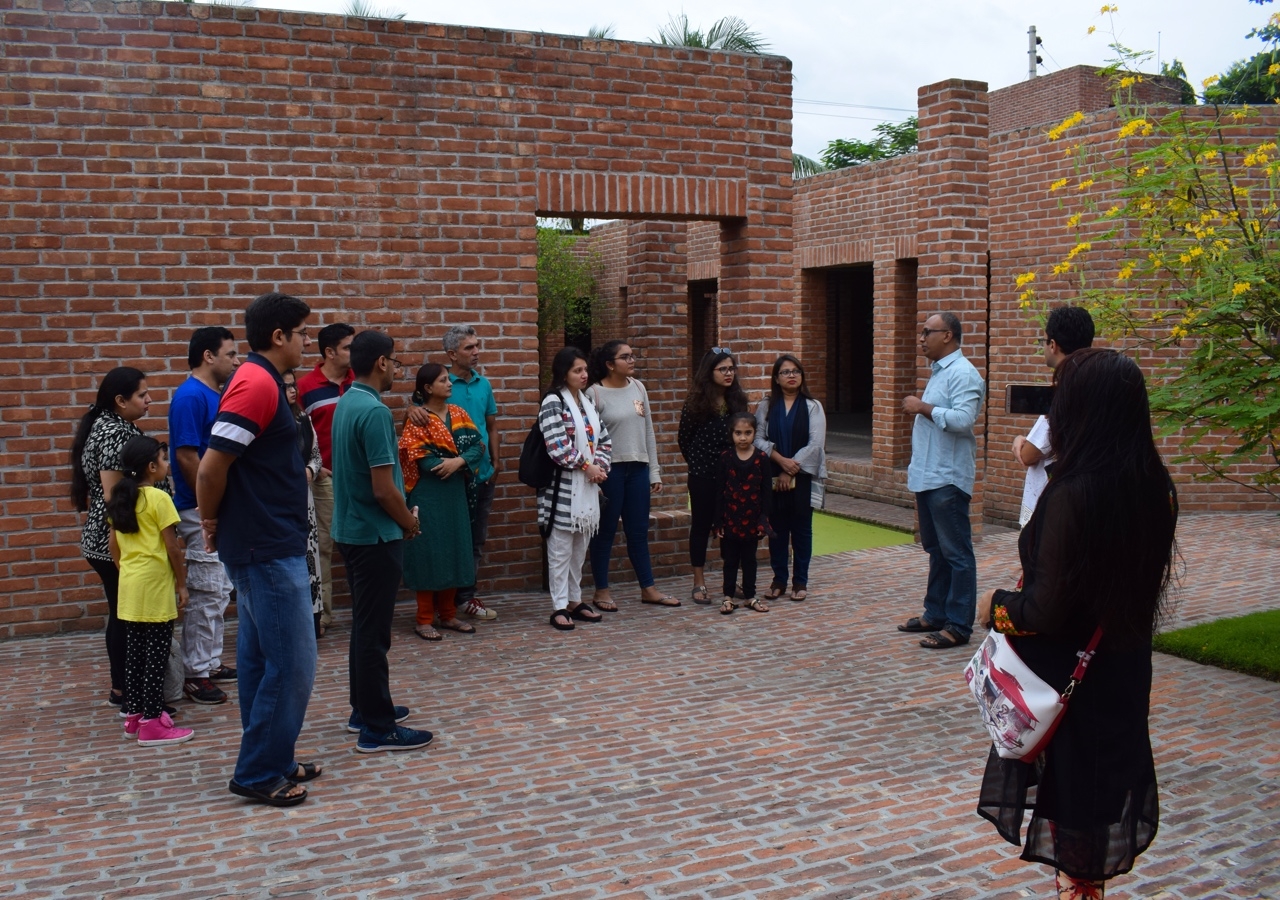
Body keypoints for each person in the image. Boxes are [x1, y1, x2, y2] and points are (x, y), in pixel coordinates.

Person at [974, 348, 1177, 900]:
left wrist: (996, 604)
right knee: (1095, 807)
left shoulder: (1075, 492)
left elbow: (1046, 609)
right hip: (1122, 671)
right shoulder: (1153, 484)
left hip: (1072, 680)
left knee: (1077, 825)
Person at [197, 291, 320, 807]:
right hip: (264, 546)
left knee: (257, 660)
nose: (306, 342)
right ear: (279, 337)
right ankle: (257, 772)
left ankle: (275, 755)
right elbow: (210, 466)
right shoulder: (254, 384)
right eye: (302, 334)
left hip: (268, 539)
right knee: (293, 663)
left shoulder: (262, 381)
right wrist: (209, 521)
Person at [330, 330, 433, 753]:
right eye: (396, 362)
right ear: (382, 363)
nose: (398, 370)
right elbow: (383, 488)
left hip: (352, 532)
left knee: (365, 629)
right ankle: (377, 726)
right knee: (374, 634)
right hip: (374, 536)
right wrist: (408, 522)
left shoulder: (347, 402)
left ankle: (364, 708)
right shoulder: (372, 412)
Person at [70, 367, 161, 712]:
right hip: (115, 541)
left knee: (123, 612)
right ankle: (125, 690)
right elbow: (113, 496)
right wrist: (129, 546)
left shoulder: (114, 425)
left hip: (115, 538)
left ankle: (124, 688)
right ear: (120, 401)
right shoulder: (111, 432)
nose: (149, 400)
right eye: (142, 395)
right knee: (126, 615)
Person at [896, 313, 986, 650]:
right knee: (936, 549)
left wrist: (922, 407)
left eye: (927, 332)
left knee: (957, 553)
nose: (921, 338)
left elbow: (964, 419)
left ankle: (958, 625)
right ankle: (935, 613)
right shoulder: (940, 372)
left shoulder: (963, 374)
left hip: (947, 478)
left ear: (947, 335)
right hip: (929, 475)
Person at [106, 435, 194, 746]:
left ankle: (134, 716)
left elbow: (113, 544)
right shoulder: (159, 499)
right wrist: (181, 584)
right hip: (155, 585)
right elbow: (172, 547)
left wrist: (126, 570)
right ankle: (153, 722)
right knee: (156, 654)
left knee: (135, 652)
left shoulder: (120, 497)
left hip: (130, 584)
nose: (168, 466)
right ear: (152, 466)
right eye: (165, 460)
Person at [169, 326, 240, 706]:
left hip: (213, 505)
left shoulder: (215, 393)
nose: (236, 360)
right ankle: (196, 672)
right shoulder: (191, 397)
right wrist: (207, 499)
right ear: (208, 356)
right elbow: (185, 455)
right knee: (207, 589)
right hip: (197, 508)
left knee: (220, 588)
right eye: (229, 353)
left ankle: (209, 662)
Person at [586, 340, 679, 610]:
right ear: (609, 364)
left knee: (638, 532)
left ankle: (648, 588)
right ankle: (601, 591)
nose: (632, 360)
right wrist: (596, 476)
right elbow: (589, 441)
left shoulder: (638, 388)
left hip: (638, 469)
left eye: (632, 355)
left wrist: (655, 472)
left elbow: (648, 430)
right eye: (625, 357)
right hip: (610, 472)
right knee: (604, 533)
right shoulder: (594, 394)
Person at [399, 363, 486, 640]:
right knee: (428, 552)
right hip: (428, 492)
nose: (449, 384)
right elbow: (416, 453)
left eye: (448, 379)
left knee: (453, 549)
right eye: (443, 380)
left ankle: (448, 615)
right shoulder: (418, 418)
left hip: (455, 492)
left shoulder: (459, 414)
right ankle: (424, 619)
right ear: (427, 388)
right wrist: (442, 465)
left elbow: (477, 444)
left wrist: (458, 461)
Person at [538, 346, 612, 631]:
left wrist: (600, 466)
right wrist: (586, 466)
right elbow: (557, 446)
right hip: (562, 487)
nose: (583, 375)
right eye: (576, 371)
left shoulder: (586, 402)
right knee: (560, 549)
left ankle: (574, 599)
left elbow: (603, 439)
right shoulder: (553, 402)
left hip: (589, 485)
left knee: (580, 547)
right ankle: (558, 605)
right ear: (563, 373)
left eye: (584, 370)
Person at [296, 322, 355, 636]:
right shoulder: (306, 386)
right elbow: (298, 435)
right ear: (329, 352)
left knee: (360, 545)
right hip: (326, 479)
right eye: (348, 347)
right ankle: (325, 615)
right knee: (325, 547)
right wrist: (316, 468)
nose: (353, 353)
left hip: (358, 479)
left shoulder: (359, 381)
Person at [754, 354, 827, 602]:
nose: (792, 375)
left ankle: (800, 582)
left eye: (796, 371)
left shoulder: (813, 406)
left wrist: (790, 468)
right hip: (772, 477)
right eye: (785, 372)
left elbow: (815, 444)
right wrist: (779, 460)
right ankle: (779, 580)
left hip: (801, 478)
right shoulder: (766, 406)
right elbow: (757, 439)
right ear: (776, 378)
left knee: (801, 530)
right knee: (777, 530)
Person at [677, 348, 748, 605]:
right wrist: (700, 463)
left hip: (732, 475)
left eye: (731, 369)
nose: (729, 374)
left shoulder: (738, 401)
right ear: (710, 372)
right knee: (701, 526)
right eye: (723, 369)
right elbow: (684, 439)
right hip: (702, 475)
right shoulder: (696, 403)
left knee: (731, 528)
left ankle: (730, 581)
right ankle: (699, 582)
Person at [1013, 305, 1095, 527]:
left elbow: (1029, 455)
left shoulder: (1065, 390)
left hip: (1054, 504)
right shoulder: (1096, 384)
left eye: (1044, 342)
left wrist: (1019, 441)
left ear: (1053, 344)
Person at [440, 325, 500, 622]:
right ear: (452, 354)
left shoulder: (483, 384)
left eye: (477, 346)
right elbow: (419, 416)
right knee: (451, 538)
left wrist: (496, 463)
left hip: (482, 473)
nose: (476, 352)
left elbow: (491, 425)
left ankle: (466, 597)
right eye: (469, 348)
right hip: (451, 478)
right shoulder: (440, 384)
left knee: (476, 539)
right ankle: (445, 601)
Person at [713, 413, 773, 616]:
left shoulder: (761, 459)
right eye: (738, 433)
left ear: (755, 433)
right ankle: (728, 597)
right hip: (730, 519)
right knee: (730, 560)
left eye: (748, 433)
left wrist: (763, 519)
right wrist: (718, 521)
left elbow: (766, 491)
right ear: (732, 434)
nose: (743, 437)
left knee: (750, 560)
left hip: (752, 520)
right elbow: (719, 489)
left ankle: (750, 596)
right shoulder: (726, 457)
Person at [283, 370, 324, 638]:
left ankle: (314, 617)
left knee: (311, 557)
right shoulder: (272, 421)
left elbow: (317, 454)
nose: (292, 390)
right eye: (285, 386)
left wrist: (310, 470)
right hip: (282, 498)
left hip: (304, 495)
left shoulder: (303, 418)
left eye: (293, 385)